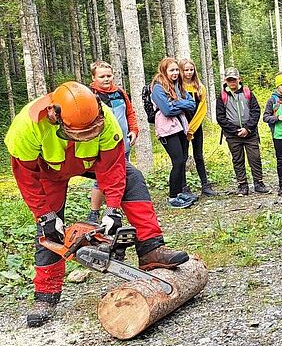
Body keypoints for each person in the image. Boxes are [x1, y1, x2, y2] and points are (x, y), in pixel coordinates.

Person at [5, 81, 189, 327]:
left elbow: (113, 167)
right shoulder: (27, 126)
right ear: (53, 115)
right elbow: (26, 176)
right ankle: (45, 296)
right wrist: (44, 215)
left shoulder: (106, 117)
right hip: (48, 171)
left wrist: (112, 210)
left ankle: (150, 248)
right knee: (49, 230)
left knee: (132, 177)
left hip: (90, 162)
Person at [87, 60, 138, 222]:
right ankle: (94, 213)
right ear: (94, 77)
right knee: (101, 179)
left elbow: (130, 113)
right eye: (102, 76)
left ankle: (114, 210)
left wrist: (134, 130)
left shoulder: (120, 92)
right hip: (103, 147)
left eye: (109, 75)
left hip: (124, 144)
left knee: (120, 177)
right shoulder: (89, 96)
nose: (106, 79)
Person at [150, 58, 197, 209]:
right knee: (177, 161)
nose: (175, 73)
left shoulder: (178, 86)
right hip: (167, 128)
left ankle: (179, 193)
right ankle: (172, 197)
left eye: (177, 70)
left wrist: (176, 103)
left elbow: (192, 104)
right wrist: (179, 105)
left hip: (180, 126)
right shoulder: (158, 88)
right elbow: (167, 110)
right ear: (164, 71)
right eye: (172, 70)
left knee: (182, 160)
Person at [216, 68, 266, 195]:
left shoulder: (248, 93)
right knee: (237, 160)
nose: (232, 82)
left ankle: (259, 183)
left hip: (250, 133)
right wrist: (235, 130)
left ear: (239, 79)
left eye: (234, 79)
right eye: (229, 79)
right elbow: (220, 117)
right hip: (233, 135)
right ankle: (242, 185)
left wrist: (248, 128)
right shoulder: (222, 97)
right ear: (225, 80)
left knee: (255, 158)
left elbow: (255, 111)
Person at [179, 58, 217, 197]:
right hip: (182, 126)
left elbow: (202, 107)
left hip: (196, 125)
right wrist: (186, 127)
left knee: (198, 155)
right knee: (182, 157)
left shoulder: (199, 87)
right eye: (186, 70)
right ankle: (183, 187)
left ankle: (205, 185)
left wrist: (193, 126)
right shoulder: (178, 88)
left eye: (191, 69)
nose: (189, 72)